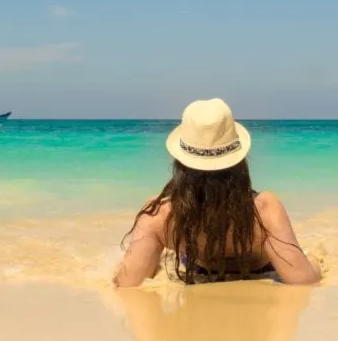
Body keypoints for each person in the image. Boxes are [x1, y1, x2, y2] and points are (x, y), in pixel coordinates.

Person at [113, 98, 321, 287]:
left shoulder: (159, 215)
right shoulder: (264, 209)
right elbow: (303, 280)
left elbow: (128, 283)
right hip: (262, 272)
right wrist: (320, 264)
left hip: (197, 273)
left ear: (180, 163)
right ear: (239, 162)